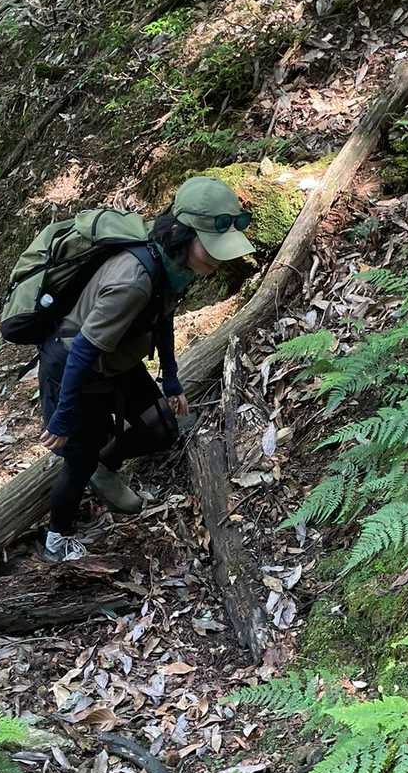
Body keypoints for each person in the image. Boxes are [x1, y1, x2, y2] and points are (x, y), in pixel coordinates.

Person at [38, 176, 254, 562]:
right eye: (212, 247)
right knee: (79, 458)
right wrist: (64, 416)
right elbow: (82, 350)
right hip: (75, 366)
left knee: (162, 429)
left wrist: (171, 379)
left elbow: (162, 318)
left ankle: (104, 465)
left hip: (116, 360)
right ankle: (57, 539)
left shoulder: (175, 266)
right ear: (184, 234)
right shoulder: (134, 281)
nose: (219, 259)